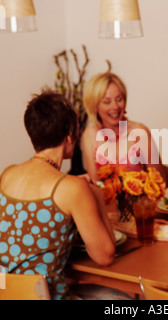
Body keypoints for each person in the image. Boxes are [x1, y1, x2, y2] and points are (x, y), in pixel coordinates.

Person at [0, 91, 132, 300]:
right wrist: (95, 194)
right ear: (69, 136)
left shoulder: (7, 174)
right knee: (124, 299)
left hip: (8, 294)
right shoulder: (71, 189)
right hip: (47, 297)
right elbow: (105, 256)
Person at [81, 62, 165, 182]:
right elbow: (95, 185)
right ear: (95, 106)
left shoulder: (140, 132)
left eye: (119, 99)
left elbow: (160, 181)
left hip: (142, 200)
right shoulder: (89, 135)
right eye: (107, 101)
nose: (115, 106)